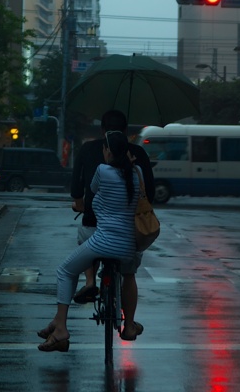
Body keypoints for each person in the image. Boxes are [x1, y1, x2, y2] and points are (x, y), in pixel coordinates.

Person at [37, 129, 140, 352]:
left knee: (65, 271)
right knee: (128, 275)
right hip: (128, 246)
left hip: (103, 241)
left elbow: (92, 190)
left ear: (108, 151)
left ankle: (61, 327)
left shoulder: (102, 170)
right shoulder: (136, 173)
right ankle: (129, 323)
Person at [69, 109, 155, 338]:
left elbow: (77, 189)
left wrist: (81, 205)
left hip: (93, 225)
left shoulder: (88, 150)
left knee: (85, 238)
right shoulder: (138, 154)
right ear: (126, 131)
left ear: (102, 130)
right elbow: (150, 193)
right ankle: (130, 325)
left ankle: (90, 281)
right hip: (128, 232)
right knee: (129, 274)